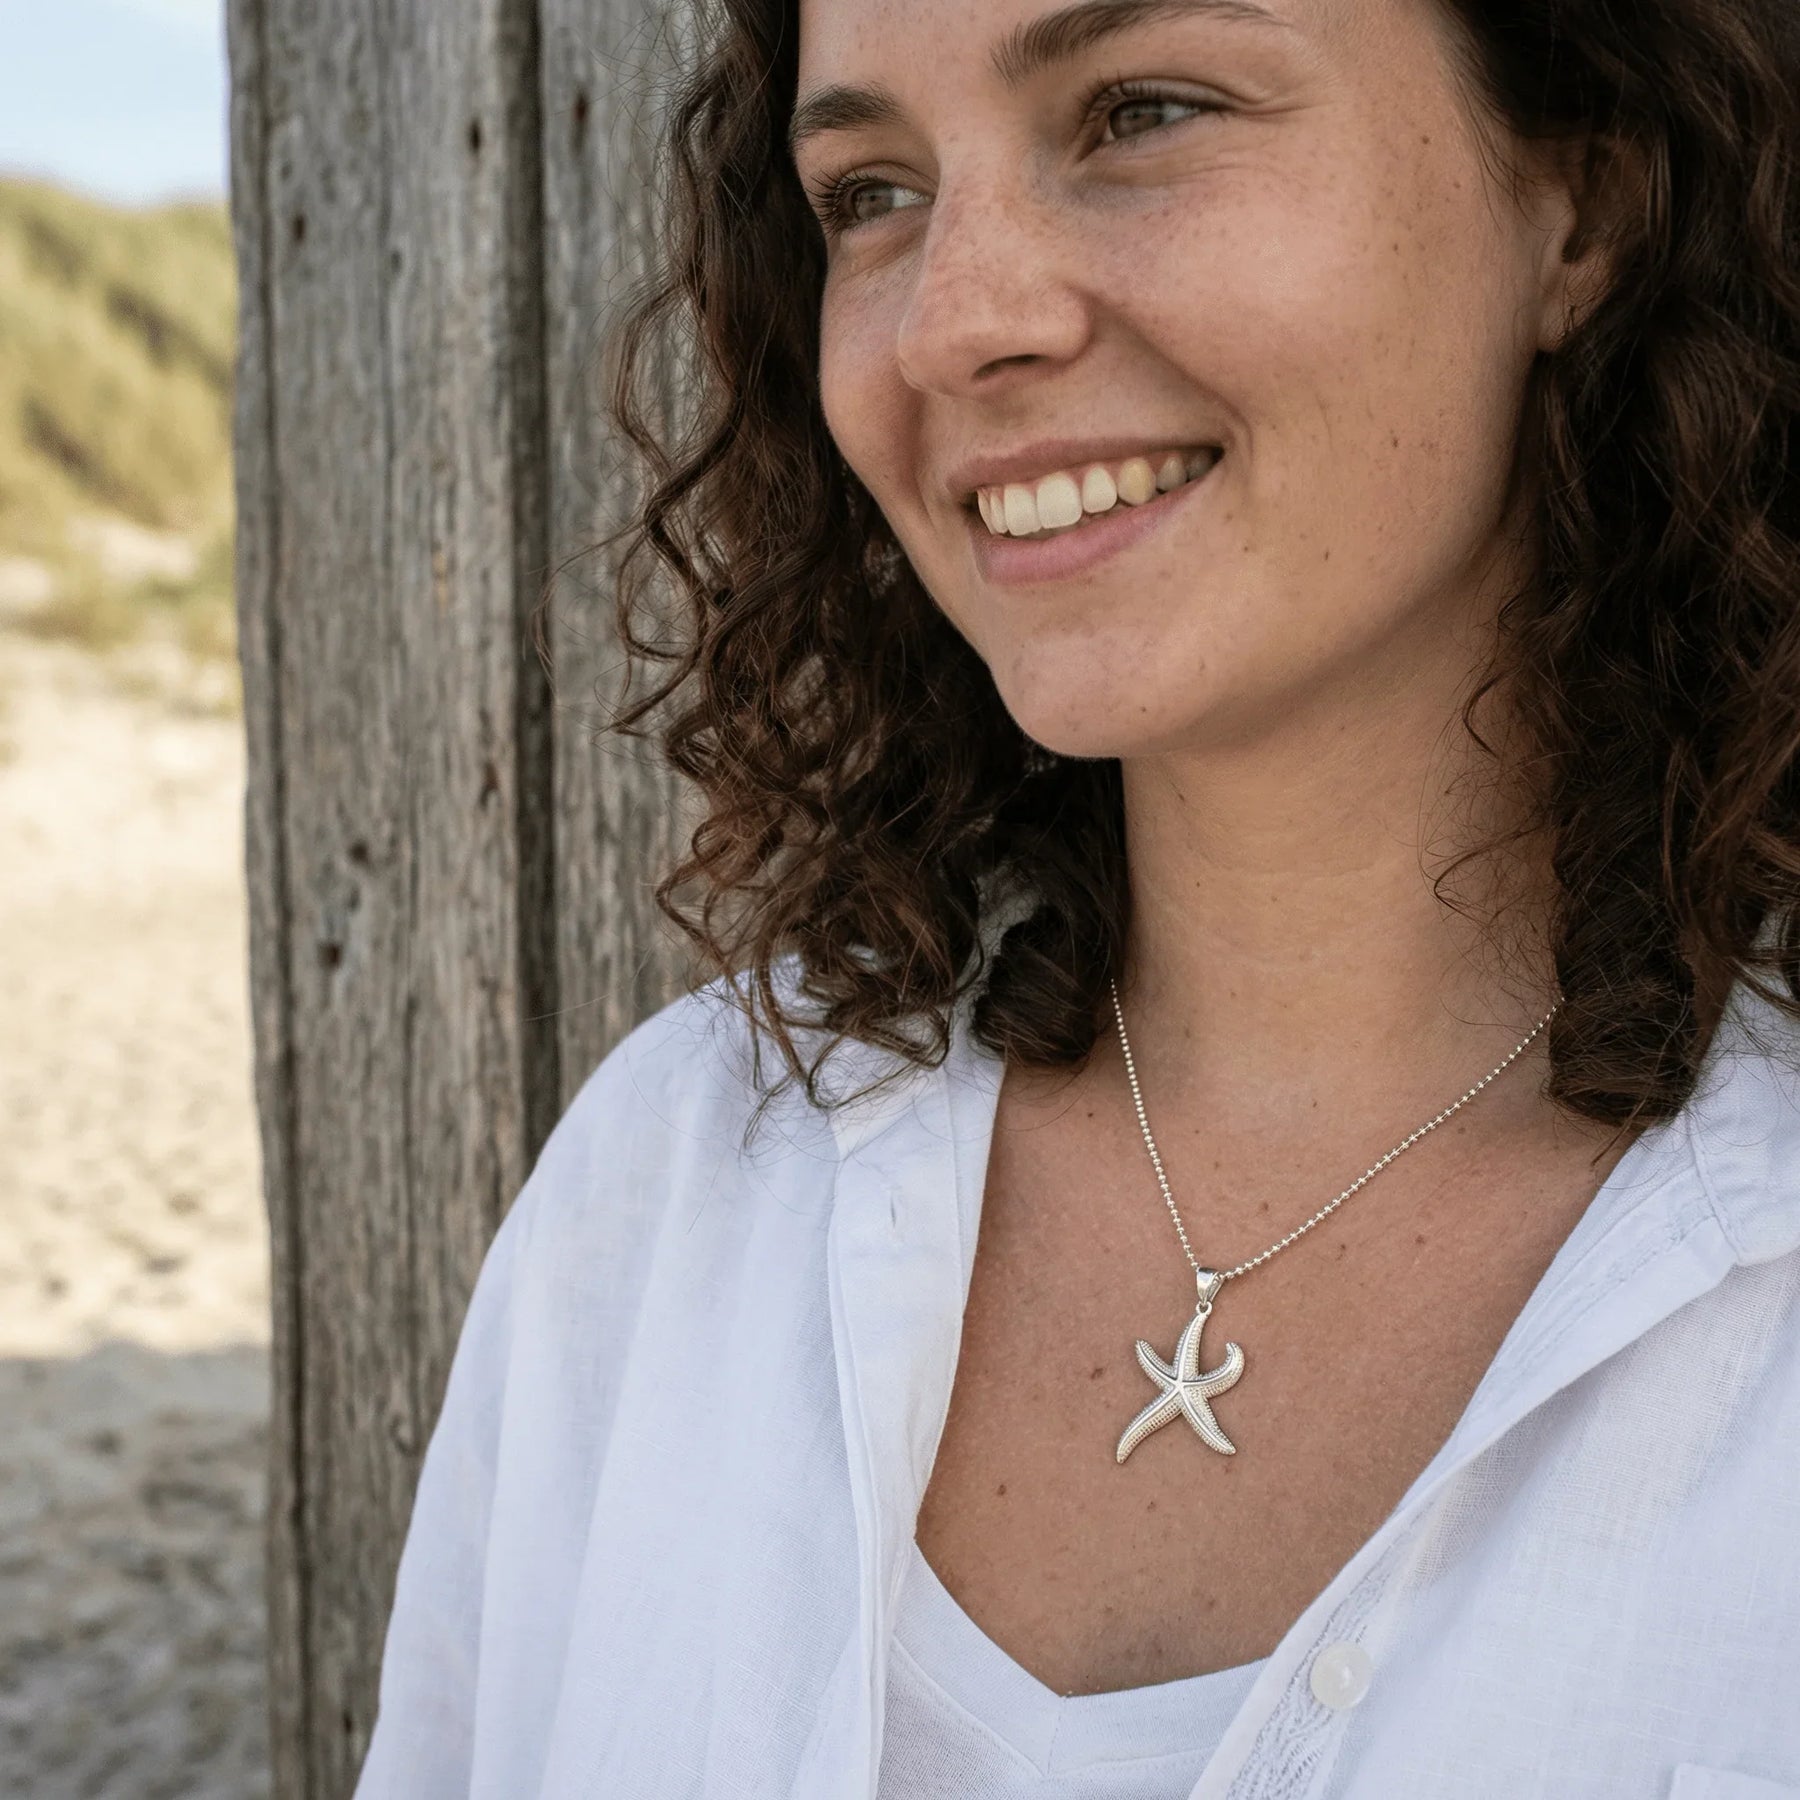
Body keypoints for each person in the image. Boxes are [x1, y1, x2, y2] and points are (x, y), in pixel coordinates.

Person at [353, 0, 1800, 1793]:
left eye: (1144, 110)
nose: (957, 320)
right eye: (870, 190)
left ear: (1583, 203)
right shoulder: (674, 1188)